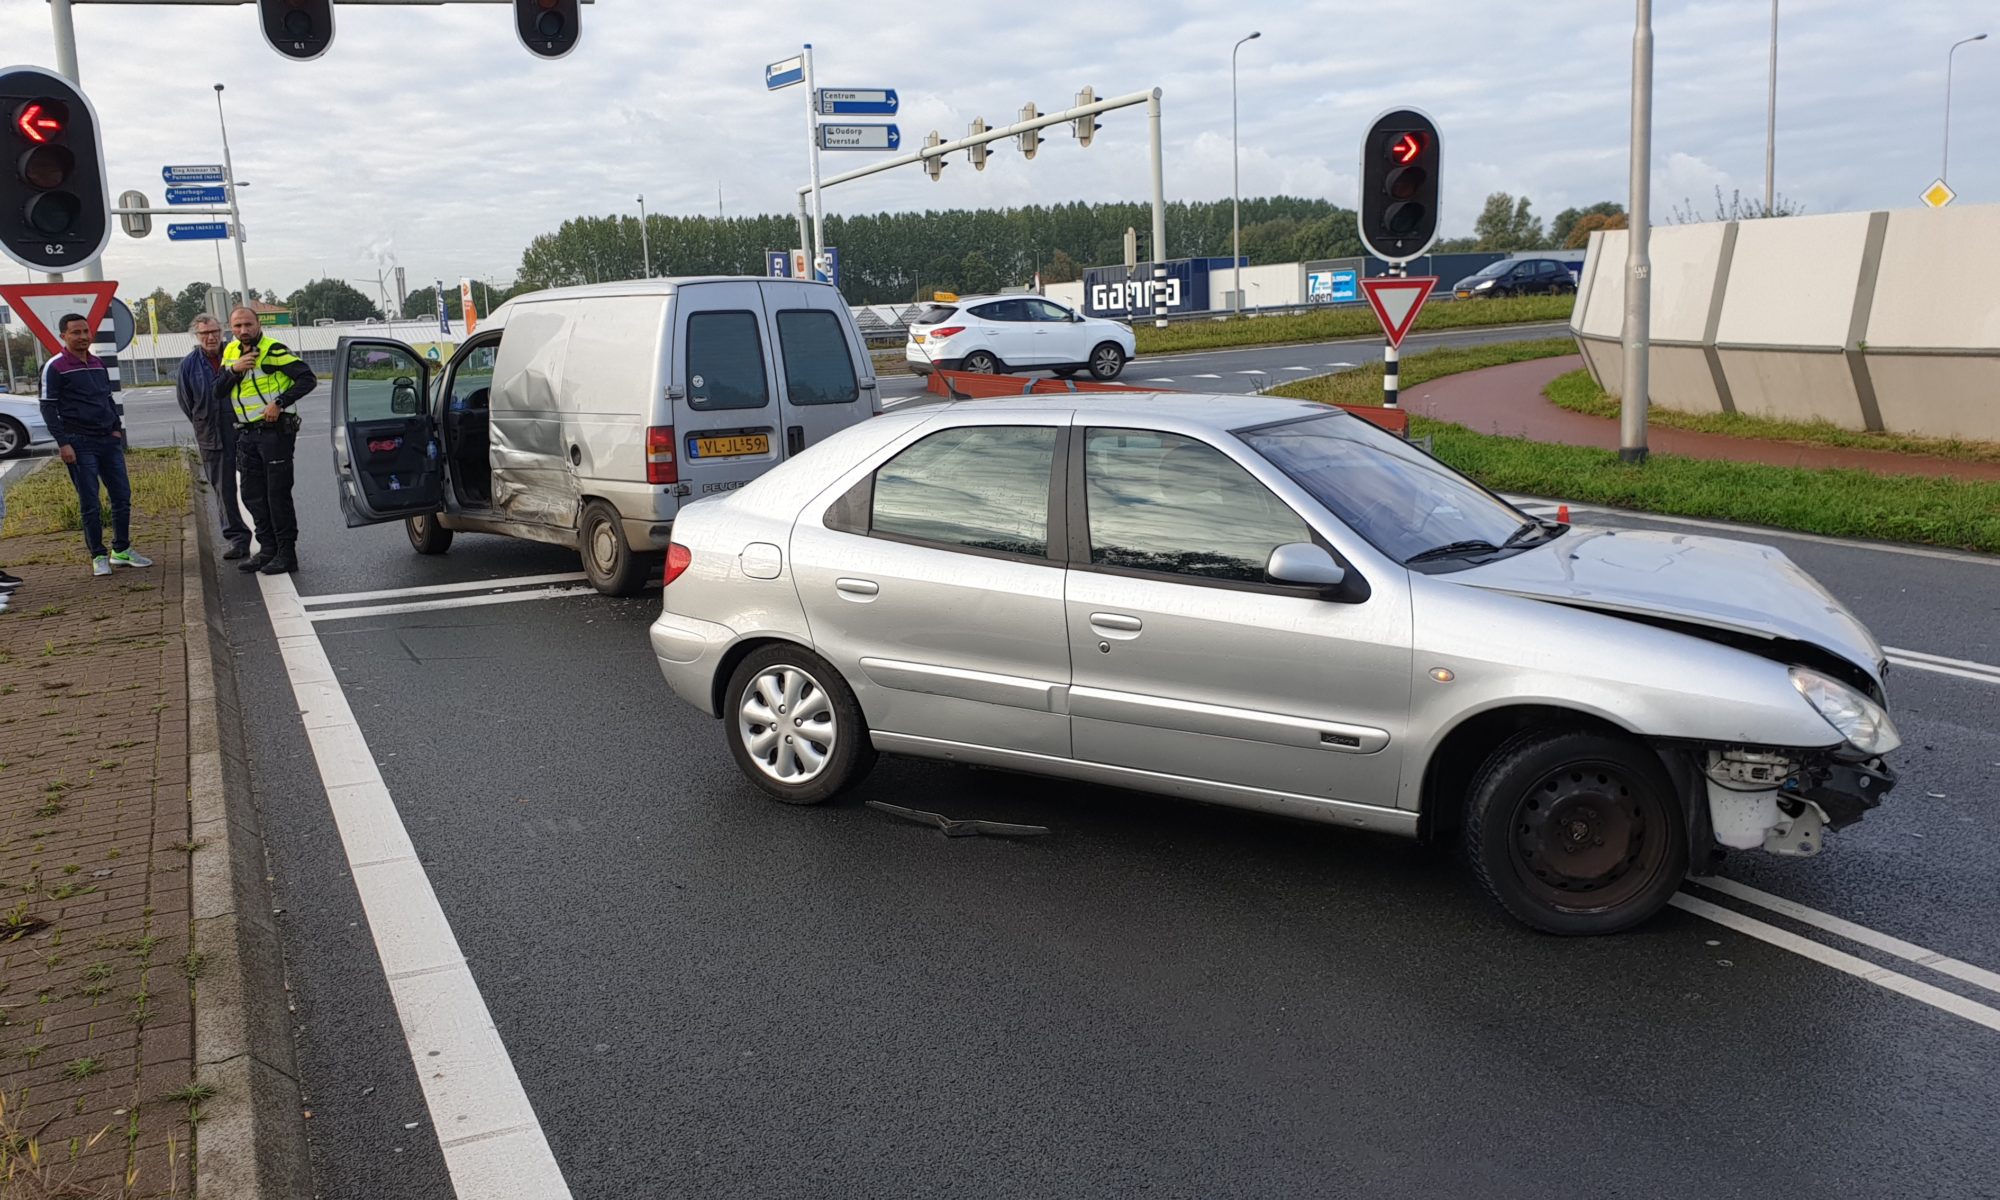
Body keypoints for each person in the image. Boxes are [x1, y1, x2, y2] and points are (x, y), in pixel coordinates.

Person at [38, 313, 152, 577]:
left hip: (107, 442)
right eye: (76, 332)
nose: (82, 337)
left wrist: (116, 430)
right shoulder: (55, 367)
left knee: (122, 497)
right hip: (79, 443)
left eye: (86, 332)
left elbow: (107, 399)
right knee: (90, 501)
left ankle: (121, 550)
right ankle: (98, 555)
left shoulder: (98, 363)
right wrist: (64, 443)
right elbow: (47, 408)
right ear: (63, 336)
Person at [214, 306, 315, 574]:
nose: (243, 331)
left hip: (275, 432)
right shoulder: (231, 352)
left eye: (248, 325)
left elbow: (307, 379)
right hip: (246, 434)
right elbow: (218, 391)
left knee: (276, 495)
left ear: (257, 324)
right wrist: (234, 370)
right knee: (252, 495)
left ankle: (286, 554)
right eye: (237, 326)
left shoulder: (273, 350)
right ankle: (267, 550)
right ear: (231, 327)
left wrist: (279, 403)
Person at [176, 313, 252, 559]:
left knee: (255, 487)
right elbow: (186, 403)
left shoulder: (236, 354)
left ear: (223, 332)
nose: (210, 337)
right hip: (211, 435)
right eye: (204, 333)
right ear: (196, 337)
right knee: (224, 489)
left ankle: (267, 536)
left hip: (244, 430)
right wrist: (204, 423)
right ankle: (237, 539)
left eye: (214, 332)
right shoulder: (188, 365)